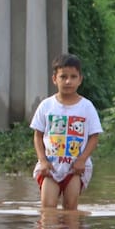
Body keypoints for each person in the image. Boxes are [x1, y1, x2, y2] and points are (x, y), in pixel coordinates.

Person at [31, 54, 103, 211]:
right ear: (54, 79)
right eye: (63, 77)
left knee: (70, 209)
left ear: (80, 79)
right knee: (48, 209)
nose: (68, 81)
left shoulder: (87, 107)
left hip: (74, 169)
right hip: (51, 167)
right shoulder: (46, 105)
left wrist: (82, 160)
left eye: (73, 77)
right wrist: (42, 160)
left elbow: (94, 136)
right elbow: (38, 135)